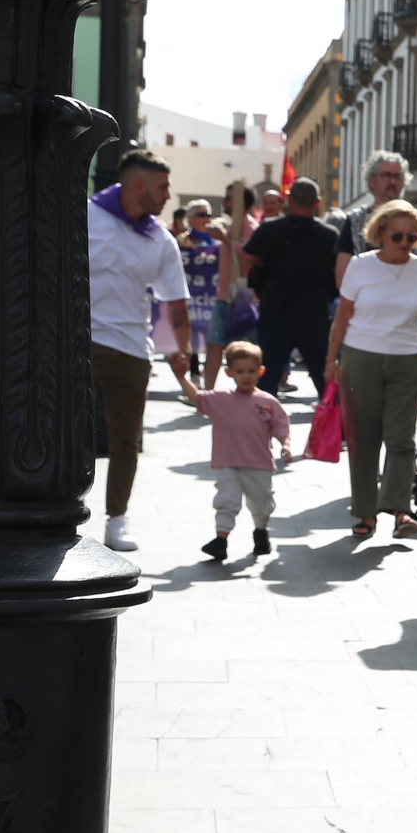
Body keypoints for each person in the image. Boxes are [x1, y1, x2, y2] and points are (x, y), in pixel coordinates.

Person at [88, 149, 190, 552]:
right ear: (139, 186)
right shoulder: (84, 214)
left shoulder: (161, 238)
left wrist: (181, 352)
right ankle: (61, 511)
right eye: (162, 186)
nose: (168, 195)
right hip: (81, 346)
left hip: (133, 351)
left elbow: (176, 303)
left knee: (126, 441)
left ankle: (116, 520)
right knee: (66, 435)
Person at [325, 199, 417, 539]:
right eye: (397, 236)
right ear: (380, 234)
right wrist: (331, 360)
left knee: (401, 438)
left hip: (408, 361)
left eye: (410, 237)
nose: (404, 243)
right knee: (363, 439)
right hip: (361, 357)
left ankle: (400, 510)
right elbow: (342, 316)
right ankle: (365, 513)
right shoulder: (360, 266)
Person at [174, 341, 291, 560]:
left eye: (251, 371)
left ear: (261, 371)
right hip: (228, 463)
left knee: (261, 503)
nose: (246, 376)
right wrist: (182, 377)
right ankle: (220, 540)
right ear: (229, 373)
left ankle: (261, 533)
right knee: (226, 501)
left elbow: (280, 426)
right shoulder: (220, 399)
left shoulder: (268, 402)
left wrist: (285, 444)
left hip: (259, 465)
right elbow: (196, 397)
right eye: (240, 371)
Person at [240, 178, 338, 399]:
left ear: (287, 200)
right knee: (324, 379)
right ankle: (335, 430)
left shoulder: (270, 228)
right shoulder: (329, 235)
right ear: (317, 202)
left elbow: (247, 258)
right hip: (314, 314)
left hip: (275, 311)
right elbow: (339, 271)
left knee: (267, 379)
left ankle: (259, 429)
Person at [179, 198, 234, 391]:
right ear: (191, 218)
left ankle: (205, 375)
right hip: (191, 298)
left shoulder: (218, 241)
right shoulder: (181, 241)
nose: (206, 219)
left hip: (212, 298)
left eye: (209, 214)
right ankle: (194, 374)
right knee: (192, 336)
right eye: (201, 215)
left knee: (212, 340)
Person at [333, 149, 408, 284]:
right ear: (371, 181)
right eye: (386, 175)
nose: (392, 181)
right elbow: (342, 278)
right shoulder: (355, 221)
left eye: (398, 177)